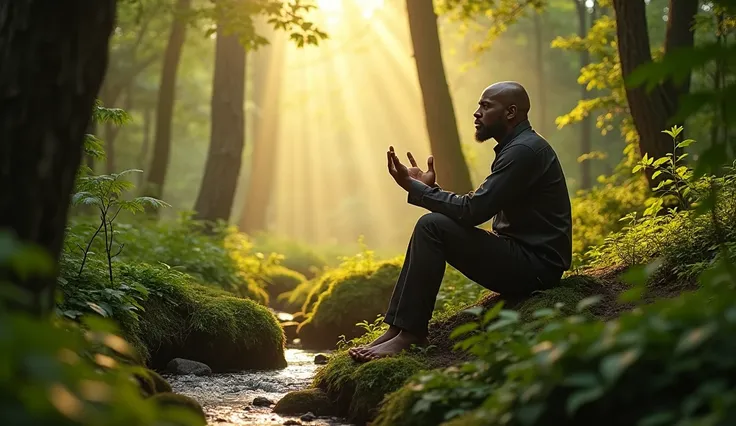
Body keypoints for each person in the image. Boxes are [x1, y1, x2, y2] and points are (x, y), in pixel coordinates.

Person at [348, 81, 573, 362]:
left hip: (536, 267)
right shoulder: (518, 147)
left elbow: (473, 210)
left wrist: (420, 190)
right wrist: (432, 190)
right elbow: (477, 206)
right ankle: (398, 329)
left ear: (511, 112)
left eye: (486, 106)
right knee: (432, 226)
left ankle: (411, 333)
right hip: (523, 257)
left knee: (431, 226)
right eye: (479, 105)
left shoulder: (524, 151)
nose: (477, 113)